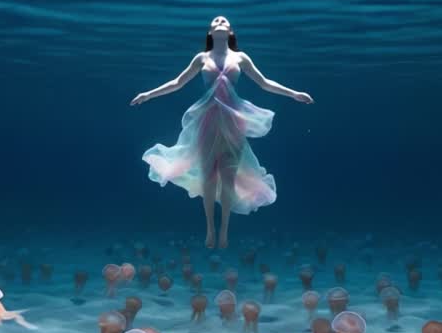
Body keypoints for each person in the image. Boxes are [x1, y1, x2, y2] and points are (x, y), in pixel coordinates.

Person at [132, 16, 312, 249]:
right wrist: (148, 94)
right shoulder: (201, 58)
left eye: (223, 20)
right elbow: (177, 82)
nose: (219, 20)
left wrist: (293, 93)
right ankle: (209, 229)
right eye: (215, 20)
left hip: (233, 122)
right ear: (210, 31)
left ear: (230, 31)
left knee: (227, 177)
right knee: (209, 177)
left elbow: (265, 83)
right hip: (207, 120)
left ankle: (224, 229)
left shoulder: (241, 57)